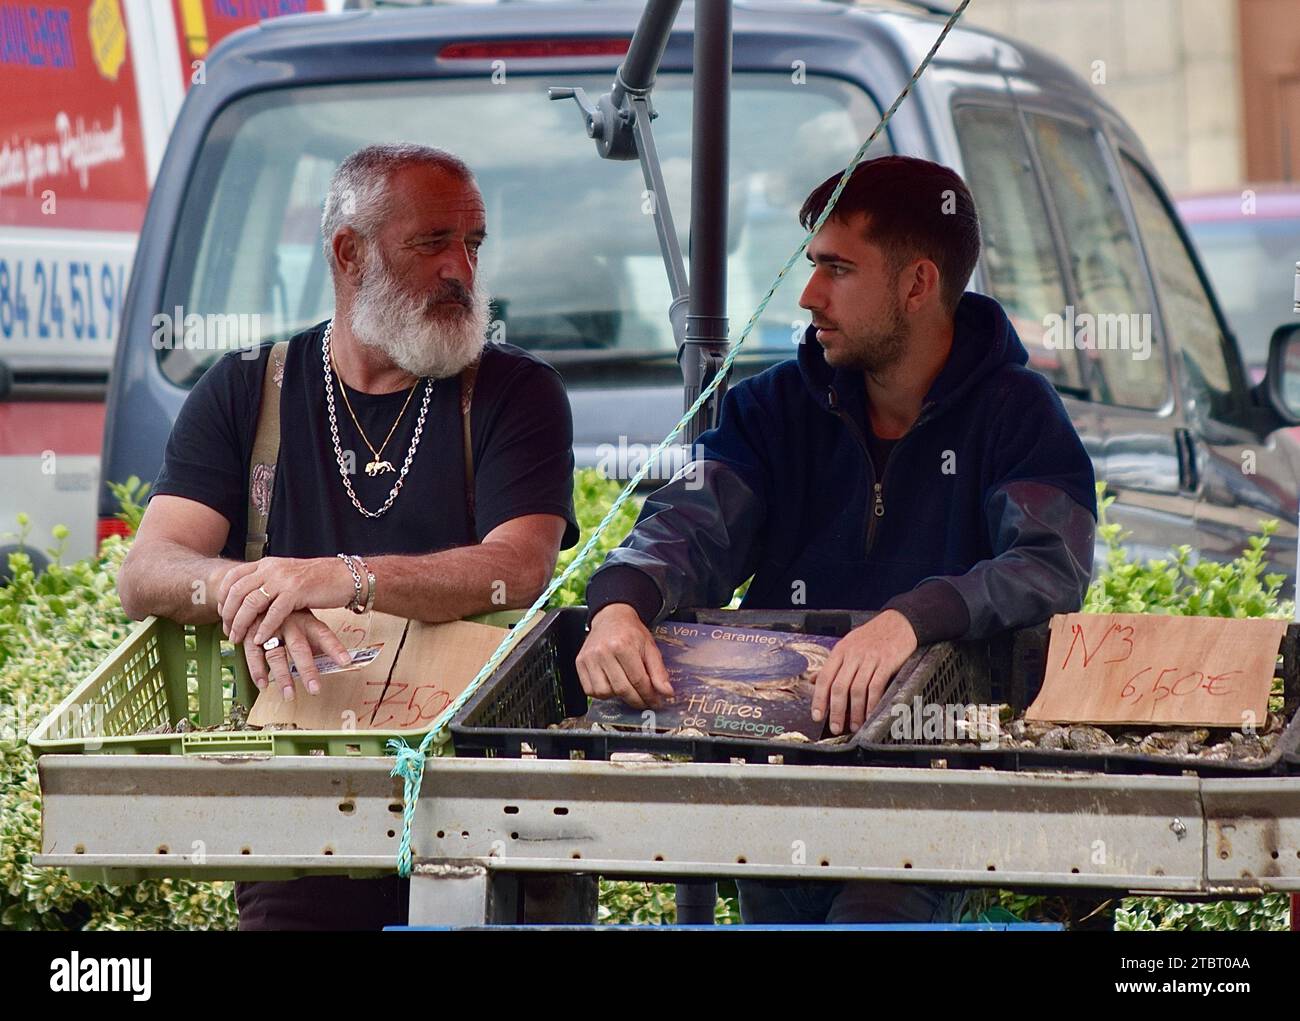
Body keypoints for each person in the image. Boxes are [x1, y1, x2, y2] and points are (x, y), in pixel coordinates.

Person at [576, 154, 1097, 925]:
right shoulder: (774, 407)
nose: (809, 295)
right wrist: (620, 603)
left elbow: (1049, 564)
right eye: (812, 265)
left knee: (875, 908)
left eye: (837, 269)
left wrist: (912, 617)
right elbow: (693, 525)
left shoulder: (1018, 411)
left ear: (918, 284)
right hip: (777, 770)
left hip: (933, 779)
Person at [117, 143, 581, 930]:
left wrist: (343, 576)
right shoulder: (244, 389)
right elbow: (146, 571)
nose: (460, 270)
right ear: (347, 251)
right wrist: (255, 589)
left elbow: (519, 566)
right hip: (307, 805)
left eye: (473, 243)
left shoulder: (515, 391)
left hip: (485, 806)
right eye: (432, 242)